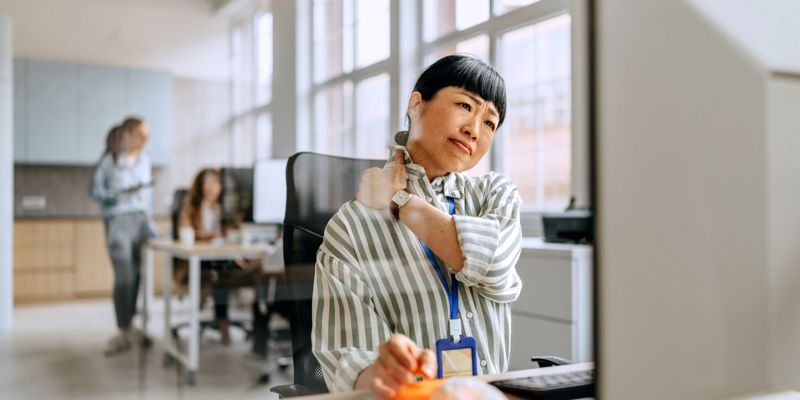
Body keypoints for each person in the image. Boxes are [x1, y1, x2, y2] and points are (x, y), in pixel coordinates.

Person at [312, 55, 522, 398]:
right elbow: (342, 354)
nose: (474, 129)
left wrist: (401, 200)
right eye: (465, 105)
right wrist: (376, 371)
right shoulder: (352, 225)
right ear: (416, 103)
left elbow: (494, 264)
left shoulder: (495, 195)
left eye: (490, 123)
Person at [89, 116, 158, 356]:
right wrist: (116, 193)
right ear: (127, 134)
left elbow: (147, 199)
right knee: (124, 277)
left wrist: (150, 225)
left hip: (140, 222)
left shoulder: (145, 161)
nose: (143, 141)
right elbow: (95, 190)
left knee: (138, 275)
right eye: (140, 136)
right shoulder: (110, 161)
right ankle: (123, 329)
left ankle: (130, 327)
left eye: (146, 137)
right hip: (118, 221)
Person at [177, 168, 237, 345]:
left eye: (216, 183)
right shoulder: (191, 208)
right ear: (200, 186)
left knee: (226, 272)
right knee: (220, 275)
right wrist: (210, 236)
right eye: (207, 183)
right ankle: (223, 323)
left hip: (223, 259)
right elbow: (185, 232)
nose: (212, 188)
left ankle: (224, 321)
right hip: (198, 262)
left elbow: (233, 233)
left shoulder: (225, 209)